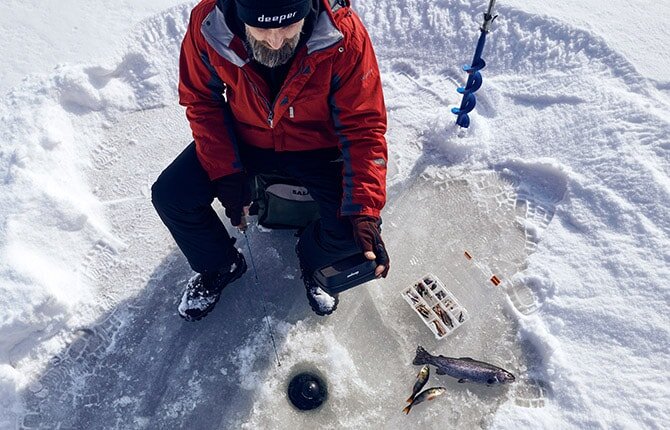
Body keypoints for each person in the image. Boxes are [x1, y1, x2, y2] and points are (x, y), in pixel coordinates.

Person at [151, 0, 390, 321]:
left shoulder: (344, 34)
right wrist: (226, 172)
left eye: (290, 26)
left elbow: (363, 125)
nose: (276, 42)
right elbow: (201, 101)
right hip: (246, 138)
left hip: (316, 146)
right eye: (262, 28)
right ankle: (220, 264)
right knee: (172, 195)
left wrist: (365, 210)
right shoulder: (208, 25)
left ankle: (314, 262)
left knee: (354, 233)